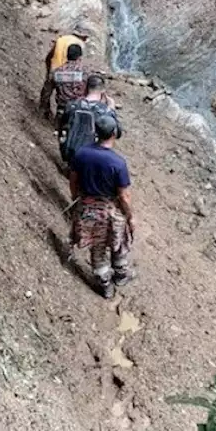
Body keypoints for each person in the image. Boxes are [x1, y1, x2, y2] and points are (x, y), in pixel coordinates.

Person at [69, 116, 136, 299]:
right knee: (119, 241)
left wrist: (76, 198)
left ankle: (105, 284)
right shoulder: (118, 163)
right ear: (115, 134)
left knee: (97, 248)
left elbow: (73, 180)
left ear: (95, 132)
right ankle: (121, 274)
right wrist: (130, 216)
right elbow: (124, 195)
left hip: (87, 208)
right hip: (110, 211)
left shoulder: (81, 153)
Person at [58, 74, 120, 164]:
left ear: (86, 88)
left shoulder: (72, 105)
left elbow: (61, 127)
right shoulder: (105, 111)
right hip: (90, 159)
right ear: (103, 91)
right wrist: (112, 110)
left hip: (69, 153)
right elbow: (117, 133)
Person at [40, 43, 89, 122]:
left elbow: (46, 92)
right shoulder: (84, 73)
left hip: (62, 110)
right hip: (79, 110)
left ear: (66, 55)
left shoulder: (56, 72)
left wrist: (45, 109)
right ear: (79, 57)